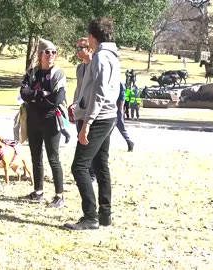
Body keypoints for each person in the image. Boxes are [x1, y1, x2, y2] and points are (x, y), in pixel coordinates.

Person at [64, 17, 120, 230]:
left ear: (92, 36)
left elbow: (99, 93)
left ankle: (90, 217)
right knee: (100, 165)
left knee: (79, 166)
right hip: (108, 116)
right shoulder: (113, 56)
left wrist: (87, 122)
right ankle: (104, 215)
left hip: (99, 118)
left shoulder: (100, 57)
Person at [19, 38, 66, 208]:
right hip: (33, 120)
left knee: (53, 158)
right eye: (48, 52)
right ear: (40, 54)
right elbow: (23, 93)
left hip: (51, 120)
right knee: (35, 156)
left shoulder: (58, 74)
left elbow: (57, 99)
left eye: (54, 52)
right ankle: (38, 191)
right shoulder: (32, 73)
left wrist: (36, 96)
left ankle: (59, 195)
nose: (51, 55)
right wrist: (42, 94)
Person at [68, 37, 97, 182]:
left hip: (92, 110)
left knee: (90, 141)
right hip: (80, 110)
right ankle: (86, 170)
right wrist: (74, 103)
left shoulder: (96, 66)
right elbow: (79, 89)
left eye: (81, 48)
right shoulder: (80, 68)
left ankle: (92, 173)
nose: (77, 51)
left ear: (90, 49)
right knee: (81, 139)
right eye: (77, 47)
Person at [117, 82, 134, 152]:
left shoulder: (120, 84)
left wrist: (120, 109)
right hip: (112, 108)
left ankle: (129, 142)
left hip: (117, 109)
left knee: (121, 127)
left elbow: (122, 97)